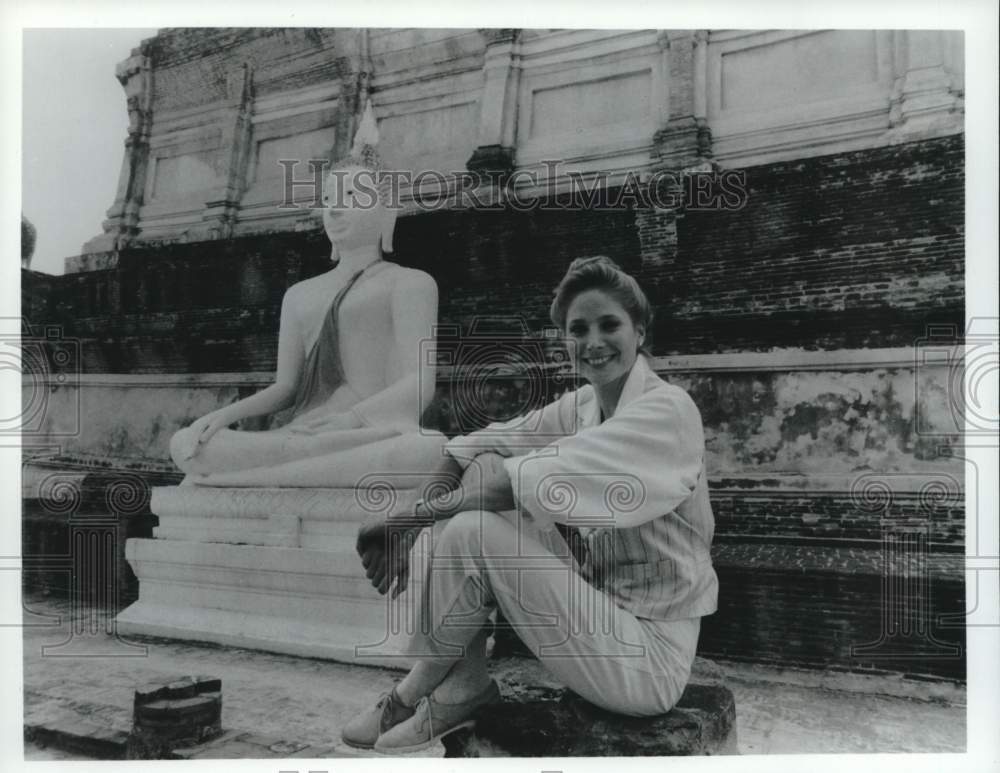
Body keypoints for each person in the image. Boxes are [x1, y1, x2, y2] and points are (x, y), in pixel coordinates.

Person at [346, 256, 719, 754]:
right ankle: (461, 685)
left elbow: (516, 484)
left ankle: (415, 691)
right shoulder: (583, 407)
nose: (593, 342)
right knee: (482, 471)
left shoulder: (667, 411)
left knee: (474, 525)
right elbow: (478, 444)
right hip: (598, 619)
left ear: (640, 332)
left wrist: (406, 520)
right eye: (578, 329)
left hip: (649, 663)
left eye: (609, 325)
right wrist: (420, 509)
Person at [168, 102, 449, 487]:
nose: (335, 210)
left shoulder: (410, 283)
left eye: (352, 196)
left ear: (387, 214)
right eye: (329, 199)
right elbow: (286, 388)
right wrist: (223, 417)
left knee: (426, 450)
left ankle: (241, 480)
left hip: (363, 433)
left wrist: (349, 420)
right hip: (301, 434)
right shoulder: (300, 294)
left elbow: (420, 384)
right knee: (186, 442)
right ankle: (271, 473)